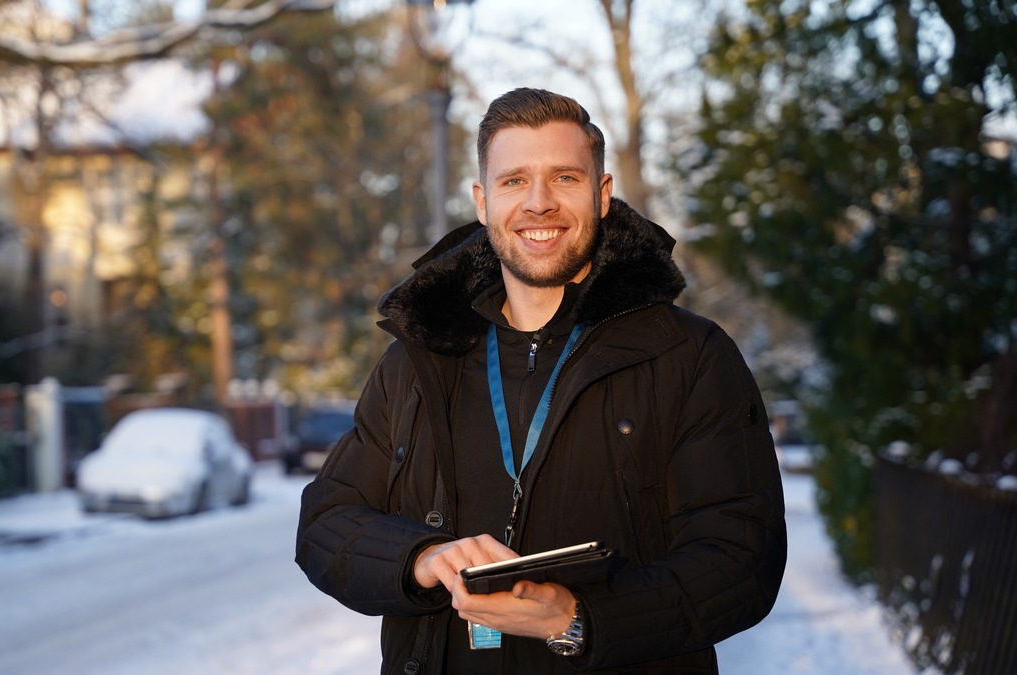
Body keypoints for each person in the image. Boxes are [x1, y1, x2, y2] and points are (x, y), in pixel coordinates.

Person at [295, 87, 787, 674]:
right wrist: (421, 557)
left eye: (564, 178)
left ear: (602, 194)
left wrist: (576, 617)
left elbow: (742, 557)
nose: (538, 203)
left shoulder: (689, 355)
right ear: (482, 201)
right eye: (513, 181)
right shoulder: (419, 359)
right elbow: (326, 524)